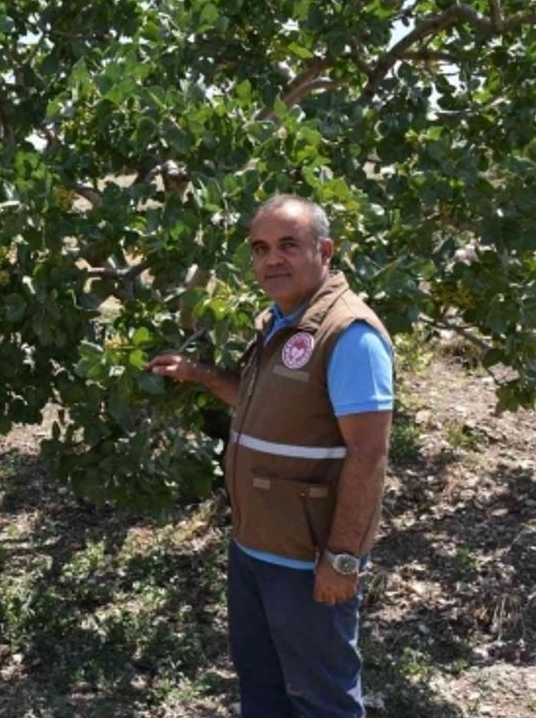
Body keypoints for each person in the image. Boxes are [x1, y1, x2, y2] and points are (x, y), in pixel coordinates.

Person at [148, 194, 393, 717]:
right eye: (260, 248)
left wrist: (343, 558)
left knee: (322, 698)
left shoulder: (348, 335)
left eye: (288, 245)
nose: (271, 260)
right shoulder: (280, 322)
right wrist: (200, 374)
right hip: (255, 545)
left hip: (308, 562)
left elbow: (369, 456)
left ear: (324, 250)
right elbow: (265, 403)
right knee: (263, 689)